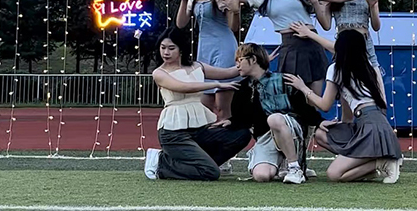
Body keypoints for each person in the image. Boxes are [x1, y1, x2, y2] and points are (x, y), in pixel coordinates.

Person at [174, 0, 387, 97]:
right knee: (291, 101)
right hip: (289, 46)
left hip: (311, 45)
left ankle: (306, 148)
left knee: (312, 102)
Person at [285, 25, 403, 183]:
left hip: (368, 126)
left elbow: (324, 105)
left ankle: (382, 162)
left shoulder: (336, 69)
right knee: (321, 134)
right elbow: (380, 105)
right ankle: (370, 165)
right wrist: (344, 124)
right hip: (377, 124)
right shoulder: (370, 67)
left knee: (334, 174)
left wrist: (303, 88)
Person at [143, 28, 251, 181]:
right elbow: (183, 87)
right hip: (174, 133)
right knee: (211, 173)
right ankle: (161, 163)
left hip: (199, 129)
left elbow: (229, 72)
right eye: (163, 48)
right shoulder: (159, 73)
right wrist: (216, 85)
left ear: (181, 49)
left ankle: (204, 165)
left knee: (242, 135)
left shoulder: (197, 66)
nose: (166, 52)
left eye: (171, 48)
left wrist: (259, 61)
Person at [213, 43, 323, 184]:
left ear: (253, 59)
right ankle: (281, 163)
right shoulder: (242, 88)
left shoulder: (283, 80)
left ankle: (294, 167)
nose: (237, 65)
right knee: (261, 176)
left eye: (240, 60)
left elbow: (303, 108)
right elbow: (243, 118)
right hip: (265, 136)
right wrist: (231, 121)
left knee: (274, 119)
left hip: (289, 129)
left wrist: (320, 122)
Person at [312, 0, 387, 120]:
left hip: (365, 47)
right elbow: (326, 24)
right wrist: (316, 3)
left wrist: (373, 5)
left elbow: (376, 26)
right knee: (347, 108)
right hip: (344, 48)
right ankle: (348, 133)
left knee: (379, 100)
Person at [176, 0, 239, 122]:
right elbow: (181, 23)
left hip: (224, 48)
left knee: (222, 105)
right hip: (204, 49)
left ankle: (225, 136)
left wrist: (235, 11)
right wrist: (184, 0)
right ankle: (208, 137)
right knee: (204, 106)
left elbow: (233, 27)